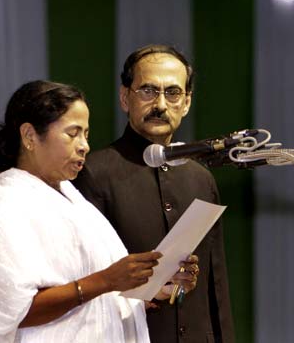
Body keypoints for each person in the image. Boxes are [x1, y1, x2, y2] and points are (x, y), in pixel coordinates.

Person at [0, 80, 199, 343]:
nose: (84, 145)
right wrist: (106, 281)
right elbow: (5, 313)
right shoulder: (8, 204)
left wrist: (154, 288)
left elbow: (96, 306)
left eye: (86, 134)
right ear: (30, 136)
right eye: (72, 133)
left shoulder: (72, 198)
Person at [73, 45, 235, 342]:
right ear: (125, 98)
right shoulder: (93, 173)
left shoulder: (201, 177)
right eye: (148, 90)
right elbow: (84, 279)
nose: (160, 104)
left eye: (173, 93)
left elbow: (216, 286)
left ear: (186, 103)